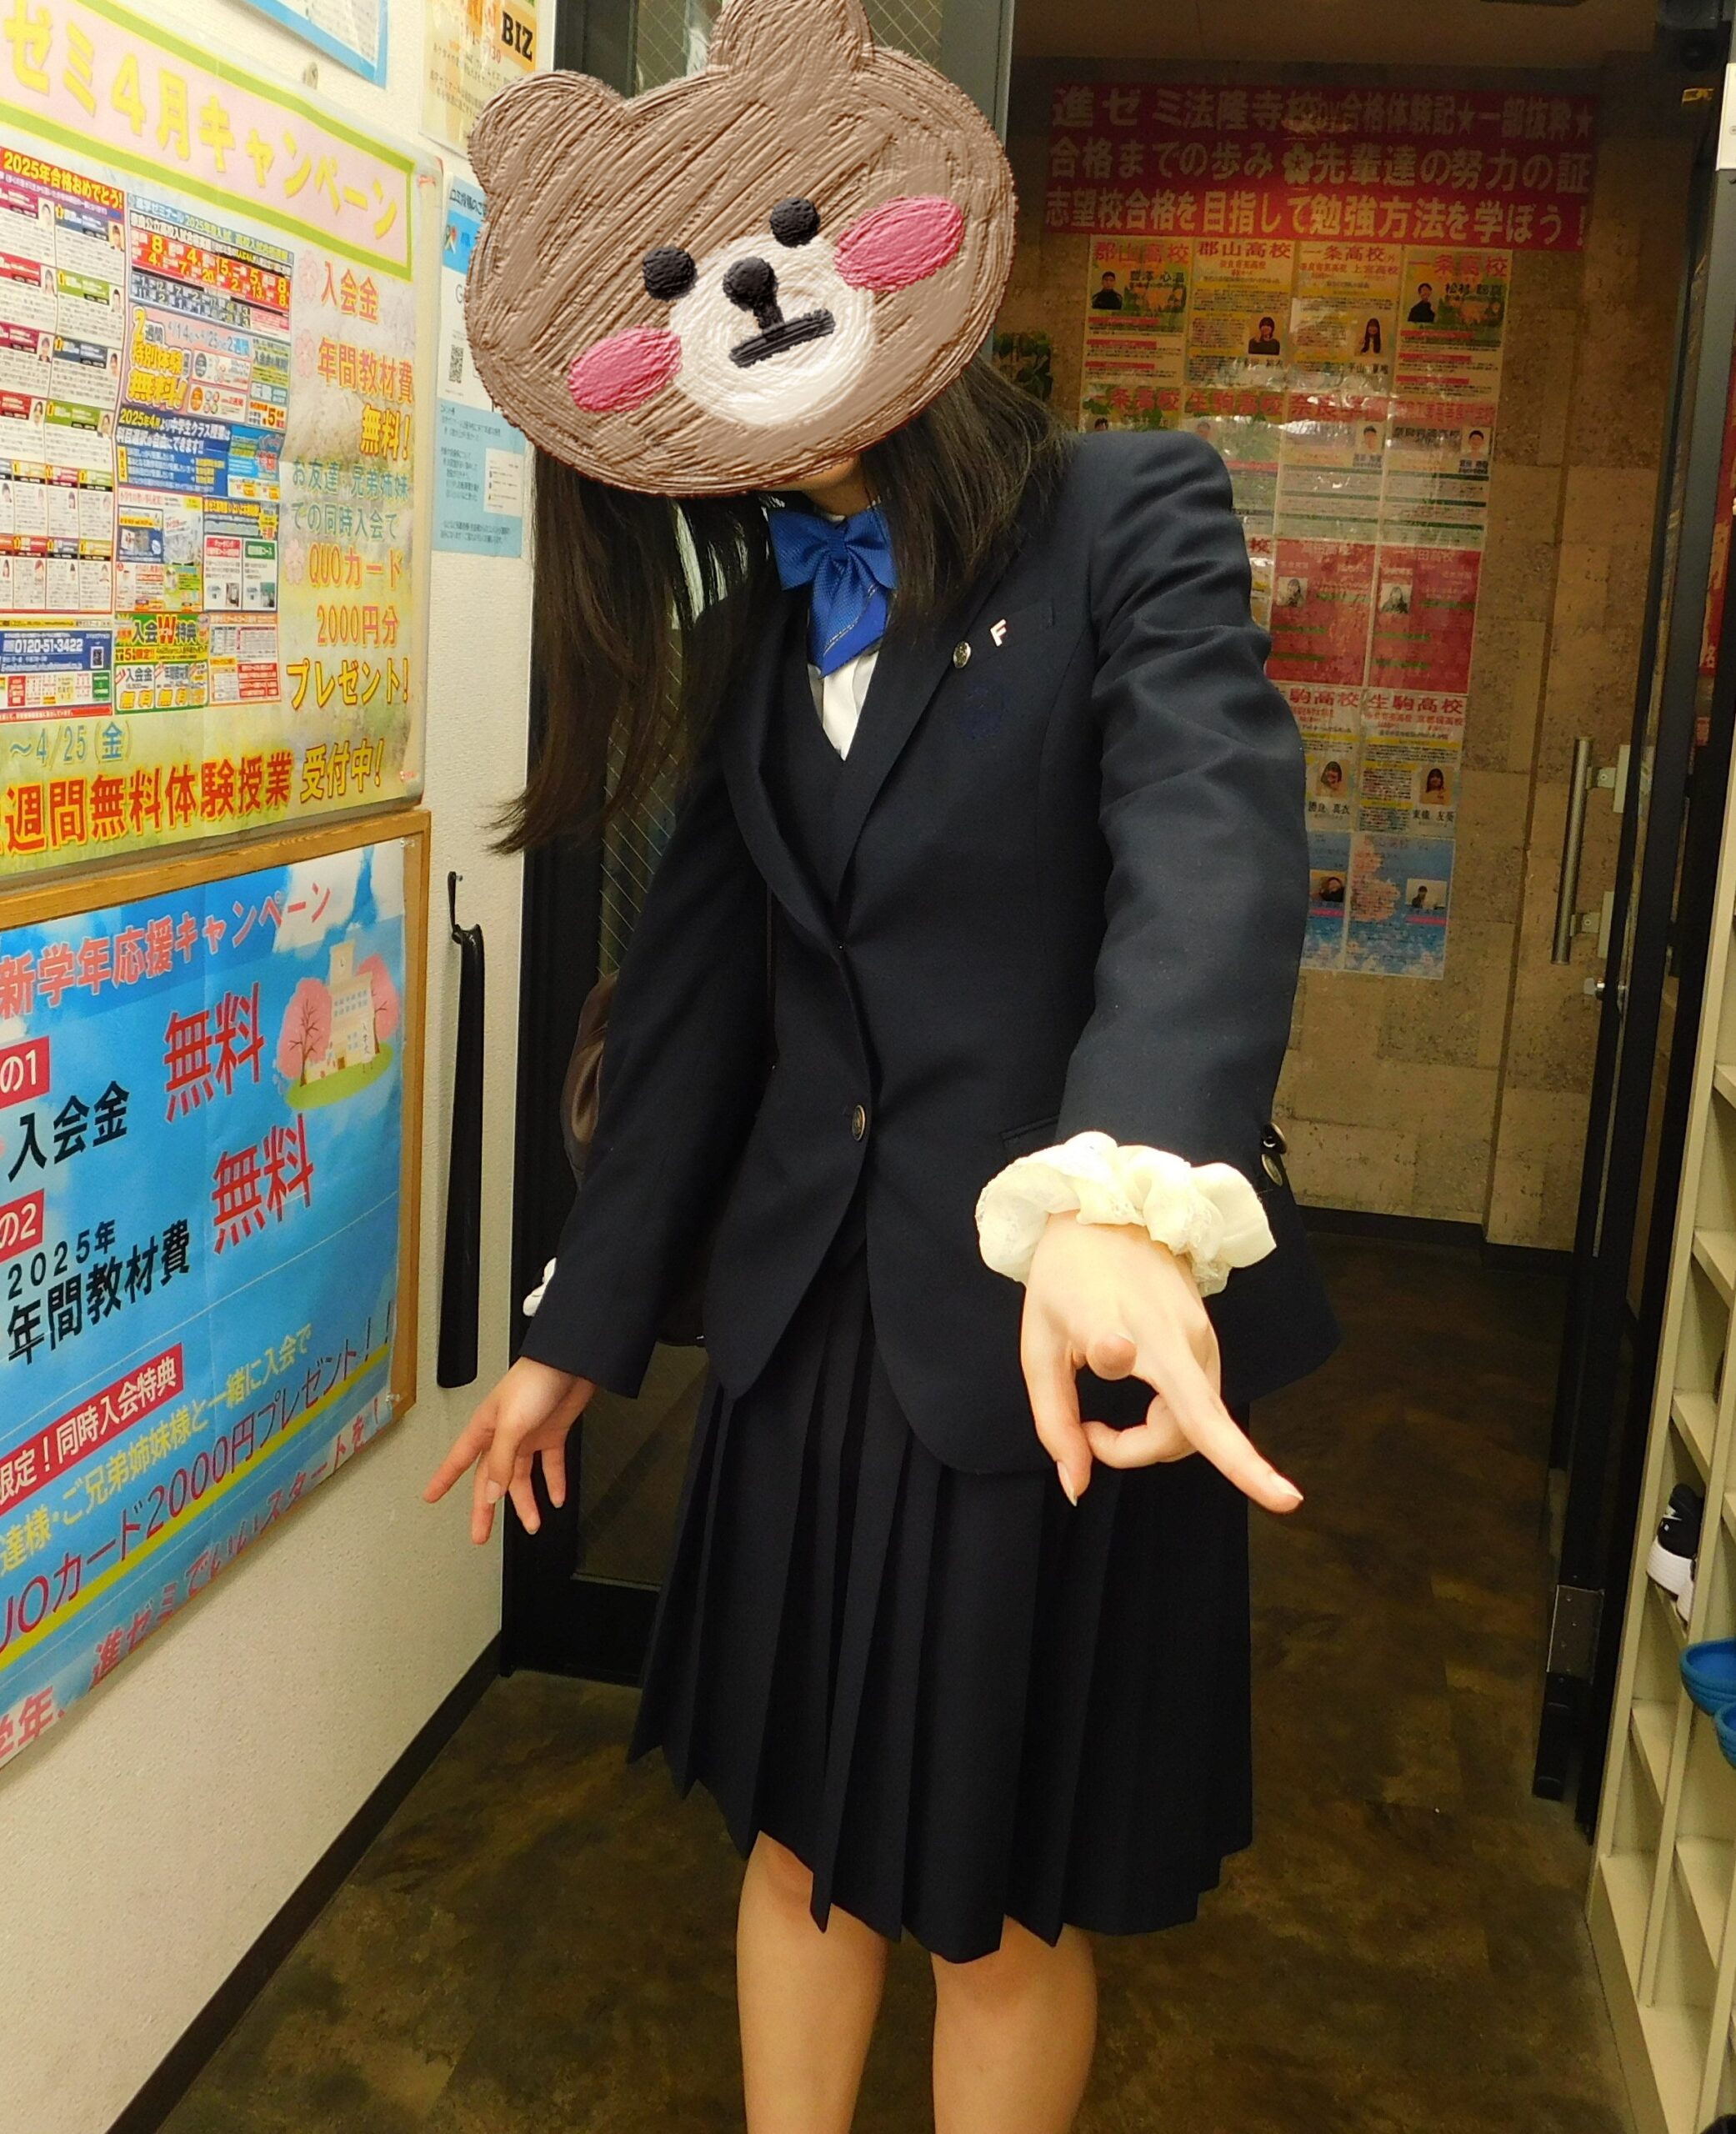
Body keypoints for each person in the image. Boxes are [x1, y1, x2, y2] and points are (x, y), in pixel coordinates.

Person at [436, 8, 1338, 2129]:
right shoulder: (748, 630)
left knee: (993, 1901)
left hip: (1042, 1333)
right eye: (676, 289)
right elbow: (694, 1004)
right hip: (802, 1339)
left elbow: (1209, 845)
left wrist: (1124, 1198)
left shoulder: (1127, 512)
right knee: (792, 1827)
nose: (743, 304)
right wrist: (575, 1326)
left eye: (772, 241)